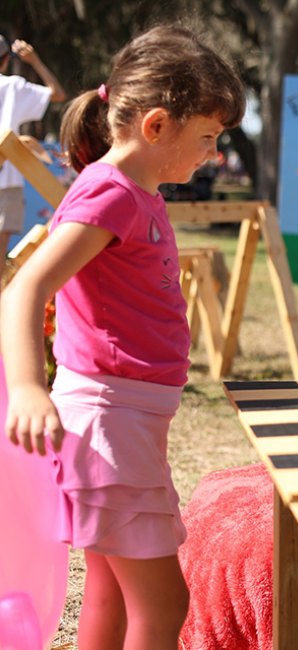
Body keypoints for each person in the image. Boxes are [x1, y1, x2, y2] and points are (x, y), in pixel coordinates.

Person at [0, 25, 245, 649]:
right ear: (157, 126)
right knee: (165, 605)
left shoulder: (136, 191)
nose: (214, 155)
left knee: (110, 597)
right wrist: (28, 388)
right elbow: (25, 290)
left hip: (124, 424)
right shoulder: (110, 194)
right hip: (109, 425)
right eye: (209, 137)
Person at [0, 35, 66, 256]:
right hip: (6, 178)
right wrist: (34, 60)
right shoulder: (13, 87)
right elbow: (57, 93)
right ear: (6, 60)